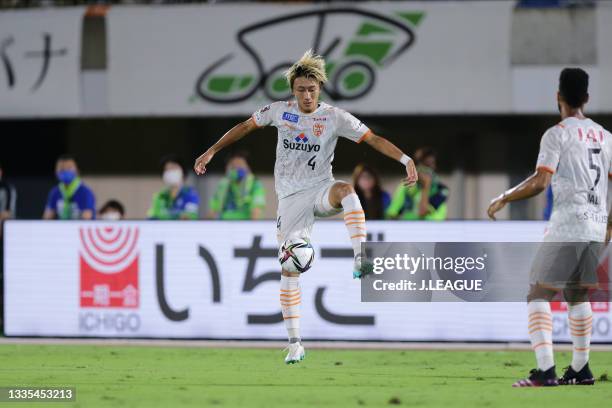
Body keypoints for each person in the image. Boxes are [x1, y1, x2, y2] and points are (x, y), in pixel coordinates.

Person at [194, 50, 417, 364]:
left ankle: (360, 256)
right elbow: (244, 127)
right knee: (289, 267)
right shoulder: (278, 111)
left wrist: (406, 160)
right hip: (290, 201)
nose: (307, 95)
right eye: (301, 89)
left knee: (347, 190)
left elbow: (372, 139)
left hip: (319, 188)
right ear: (293, 90)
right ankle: (295, 342)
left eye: (312, 89)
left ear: (320, 89)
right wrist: (212, 150)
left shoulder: (334, 116)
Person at [488, 68, 608, 387]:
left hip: (570, 224)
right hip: (597, 226)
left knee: (538, 293)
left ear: (558, 97)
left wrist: (505, 197)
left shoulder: (557, 134)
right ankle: (580, 369)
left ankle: (545, 371)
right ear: (586, 98)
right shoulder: (606, 137)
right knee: (576, 294)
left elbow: (541, 181)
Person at [386, 147, 449, 220]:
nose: (425, 169)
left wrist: (426, 185)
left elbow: (422, 212)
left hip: (434, 229)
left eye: (429, 164)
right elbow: (391, 214)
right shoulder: (405, 187)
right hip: (409, 228)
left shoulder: (442, 190)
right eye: (421, 164)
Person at [208, 151, 266, 220]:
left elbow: (256, 211)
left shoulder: (255, 184)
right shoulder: (223, 184)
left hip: (244, 225)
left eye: (240, 165)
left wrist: (252, 229)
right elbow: (212, 211)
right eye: (233, 166)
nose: (236, 168)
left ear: (248, 168)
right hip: (223, 225)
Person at [43, 155, 96, 220]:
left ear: (77, 170)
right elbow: (47, 217)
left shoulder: (86, 192)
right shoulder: (55, 192)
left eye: (69, 168)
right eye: (61, 168)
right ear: (56, 172)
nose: (65, 170)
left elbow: (87, 217)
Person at [148, 156, 199, 220]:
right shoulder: (160, 196)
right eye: (167, 169)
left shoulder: (190, 194)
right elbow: (152, 217)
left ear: (182, 172)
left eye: (173, 168)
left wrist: (164, 216)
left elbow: (189, 217)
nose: (170, 172)